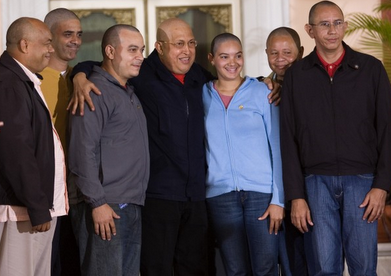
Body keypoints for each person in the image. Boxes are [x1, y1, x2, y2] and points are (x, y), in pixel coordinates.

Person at [70, 18, 281, 275]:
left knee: (197, 267)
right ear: (159, 47)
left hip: (197, 196)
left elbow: (229, 80)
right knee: (155, 267)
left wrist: (264, 81)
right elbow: (104, 65)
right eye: (178, 44)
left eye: (191, 43)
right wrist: (78, 74)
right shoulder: (141, 73)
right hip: (158, 197)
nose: (187, 50)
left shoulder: (198, 76)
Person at [280, 1, 391, 275]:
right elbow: (288, 139)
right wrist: (296, 196)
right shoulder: (296, 76)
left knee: (364, 268)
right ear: (310, 30)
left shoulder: (371, 69)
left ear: (345, 25)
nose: (333, 30)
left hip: (363, 183)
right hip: (315, 185)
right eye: (325, 24)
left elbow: (388, 129)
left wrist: (382, 186)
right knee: (323, 269)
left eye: (338, 22)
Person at [68, 24, 149, 276]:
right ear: (111, 51)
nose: (140, 57)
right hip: (105, 207)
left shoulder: (128, 91)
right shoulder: (94, 91)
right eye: (133, 49)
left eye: (142, 50)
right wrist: (98, 203)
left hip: (130, 204)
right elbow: (82, 151)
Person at [0, 17, 67, 275]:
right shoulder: (9, 83)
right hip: (20, 210)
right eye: (46, 43)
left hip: (31, 208)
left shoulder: (23, 80)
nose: (51, 49)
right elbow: (15, 152)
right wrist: (37, 205)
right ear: (24, 45)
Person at [203, 32, 284, 275]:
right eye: (224, 56)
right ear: (212, 59)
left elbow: (277, 147)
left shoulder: (262, 92)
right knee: (234, 269)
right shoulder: (202, 96)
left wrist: (278, 199)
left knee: (266, 267)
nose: (232, 62)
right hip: (220, 196)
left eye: (238, 56)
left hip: (261, 195)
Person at [42, 8, 83, 276]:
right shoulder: (30, 80)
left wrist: (81, 73)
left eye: (79, 34)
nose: (76, 41)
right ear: (48, 37)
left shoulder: (82, 78)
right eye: (67, 34)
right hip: (44, 193)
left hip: (79, 192)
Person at [264, 27, 307, 276]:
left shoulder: (313, 85)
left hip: (309, 186)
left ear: (300, 53)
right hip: (274, 191)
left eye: (287, 52)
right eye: (274, 53)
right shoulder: (262, 89)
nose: (280, 58)